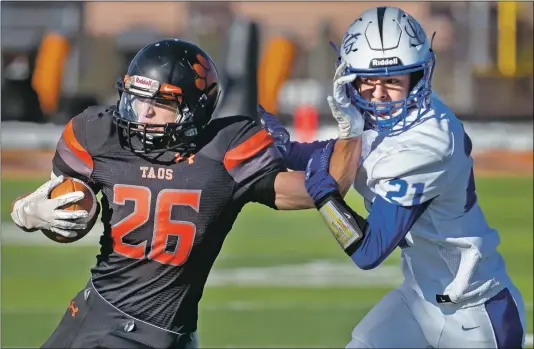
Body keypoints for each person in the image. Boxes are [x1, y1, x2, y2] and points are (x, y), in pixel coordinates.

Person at [10, 39, 364, 349]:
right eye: (137, 99)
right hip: (105, 325)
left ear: (195, 107)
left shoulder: (223, 150)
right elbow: (66, 209)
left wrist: (352, 129)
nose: (143, 112)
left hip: (171, 335)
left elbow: (320, 189)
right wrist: (27, 212)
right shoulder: (101, 135)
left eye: (160, 102)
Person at [260, 6, 526, 348]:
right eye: (368, 81)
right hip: (418, 300)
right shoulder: (386, 121)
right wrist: (279, 148)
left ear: (418, 78)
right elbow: (336, 153)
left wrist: (323, 195)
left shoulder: (429, 142)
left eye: (392, 81)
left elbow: (369, 251)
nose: (379, 95)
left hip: (474, 315)